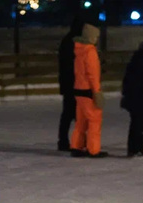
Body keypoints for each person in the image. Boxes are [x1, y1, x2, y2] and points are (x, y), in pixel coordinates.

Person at [70, 19, 107, 158]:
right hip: (88, 91)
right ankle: (93, 149)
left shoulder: (78, 50)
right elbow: (92, 74)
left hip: (78, 89)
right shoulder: (90, 52)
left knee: (81, 121)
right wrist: (96, 92)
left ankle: (76, 146)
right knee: (94, 120)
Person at [121, 42, 143, 157]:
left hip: (132, 98)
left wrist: (126, 95)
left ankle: (132, 147)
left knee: (134, 123)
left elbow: (126, 81)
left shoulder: (132, 63)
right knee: (141, 124)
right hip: (142, 98)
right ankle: (139, 147)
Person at [57, 17, 84, 151]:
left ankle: (64, 140)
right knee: (72, 113)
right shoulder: (73, 42)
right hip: (73, 83)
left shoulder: (68, 40)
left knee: (68, 113)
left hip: (68, 82)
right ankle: (70, 141)